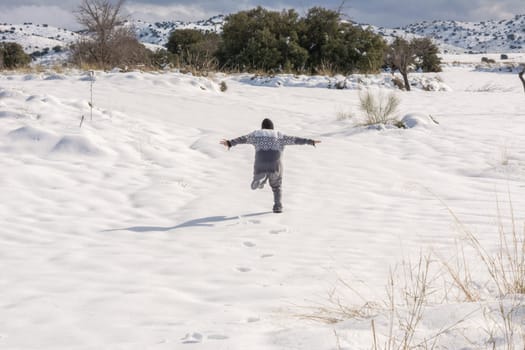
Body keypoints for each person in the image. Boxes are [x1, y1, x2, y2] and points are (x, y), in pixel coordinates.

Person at [220, 118, 321, 213]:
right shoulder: (280, 136)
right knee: (277, 186)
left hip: (261, 163)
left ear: (262, 127)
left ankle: (259, 181)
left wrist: (230, 143)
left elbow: (242, 139)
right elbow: (295, 139)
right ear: (272, 128)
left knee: (260, 173)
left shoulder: (256, 135)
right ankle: (278, 206)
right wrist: (310, 141)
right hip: (275, 165)